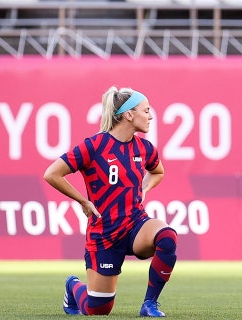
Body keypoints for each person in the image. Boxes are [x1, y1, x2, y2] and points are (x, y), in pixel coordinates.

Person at [43, 86, 177, 317]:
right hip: (104, 233)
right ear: (128, 114)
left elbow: (158, 172)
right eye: (146, 111)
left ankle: (150, 305)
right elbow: (52, 174)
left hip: (135, 223)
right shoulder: (94, 146)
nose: (151, 116)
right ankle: (73, 286)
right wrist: (83, 201)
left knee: (167, 236)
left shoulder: (144, 148)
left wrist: (144, 188)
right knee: (98, 309)